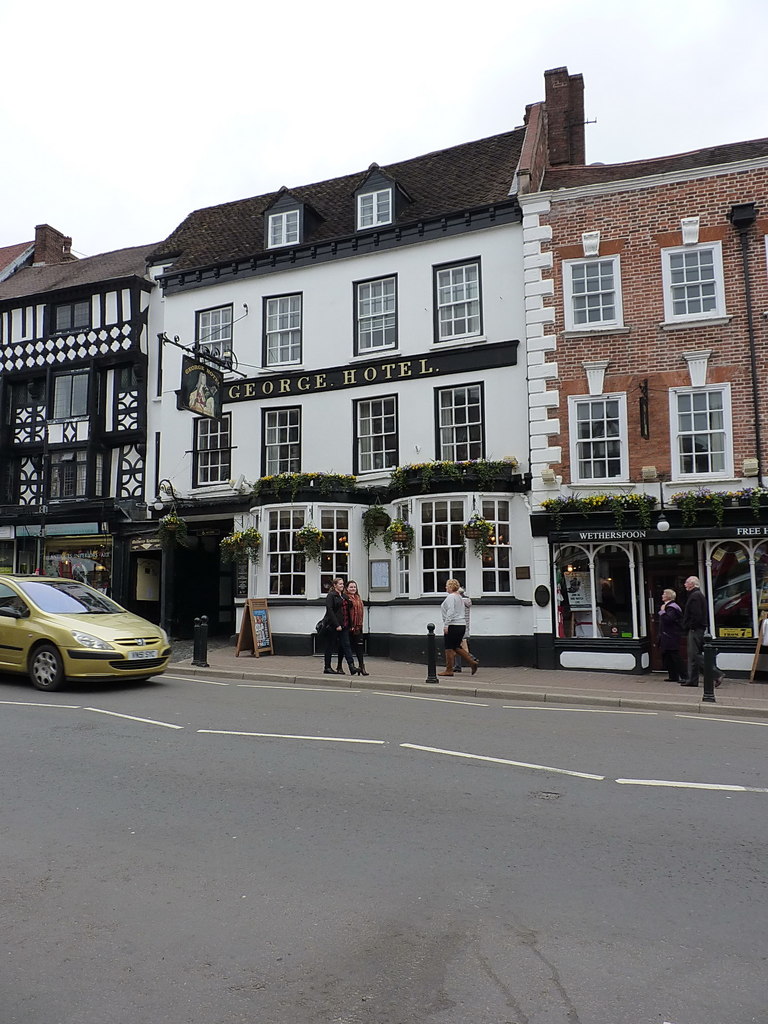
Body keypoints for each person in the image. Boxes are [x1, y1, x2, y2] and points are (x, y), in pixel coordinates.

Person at [681, 575, 724, 687]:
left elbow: (696, 615)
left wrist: (691, 626)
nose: (685, 585)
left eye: (686, 582)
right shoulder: (697, 595)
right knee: (693, 655)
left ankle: (717, 674)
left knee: (695, 654)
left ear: (692, 584)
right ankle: (692, 680)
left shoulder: (695, 596)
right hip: (698, 628)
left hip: (695, 629)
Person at [438, 578, 479, 677]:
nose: (446, 587)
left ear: (451, 587)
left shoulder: (451, 597)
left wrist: (446, 625)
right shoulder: (460, 597)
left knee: (448, 647)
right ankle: (472, 662)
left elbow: (451, 611)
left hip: (453, 625)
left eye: (447, 585)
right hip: (461, 625)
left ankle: (449, 670)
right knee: (456, 647)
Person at [321, 578, 356, 675]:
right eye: (340, 584)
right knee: (330, 646)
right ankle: (327, 667)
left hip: (344, 624)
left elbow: (349, 609)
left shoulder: (344, 596)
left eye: (342, 584)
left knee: (346, 645)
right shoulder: (331, 595)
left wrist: (351, 624)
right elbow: (330, 610)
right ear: (335, 585)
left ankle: (351, 666)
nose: (342, 585)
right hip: (333, 625)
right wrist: (337, 624)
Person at [336, 580, 368, 676]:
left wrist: (359, 625)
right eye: (351, 587)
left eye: (354, 587)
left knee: (359, 647)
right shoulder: (345, 598)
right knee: (343, 647)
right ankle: (339, 666)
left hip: (358, 626)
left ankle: (362, 667)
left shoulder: (358, 598)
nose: (353, 589)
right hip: (348, 626)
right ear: (347, 588)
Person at [657, 588, 686, 683]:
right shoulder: (669, 606)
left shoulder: (672, 607)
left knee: (675, 656)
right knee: (668, 655)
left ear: (668, 596)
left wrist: (662, 611)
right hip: (667, 635)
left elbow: (668, 620)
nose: (662, 595)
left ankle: (684, 676)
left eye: (664, 594)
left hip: (671, 635)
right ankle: (673, 676)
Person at [452, 587, 475, 673]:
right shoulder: (467, 602)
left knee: (458, 647)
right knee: (458, 646)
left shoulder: (459, 602)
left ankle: (473, 659)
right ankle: (458, 666)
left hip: (458, 627)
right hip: (465, 627)